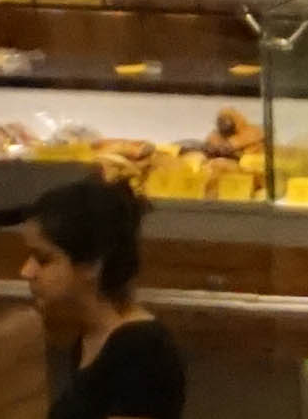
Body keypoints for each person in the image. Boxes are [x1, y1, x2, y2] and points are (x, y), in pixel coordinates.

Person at [21, 177, 185, 419]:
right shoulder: (90, 338)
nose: (26, 271)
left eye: (43, 259)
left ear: (92, 265)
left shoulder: (142, 352)